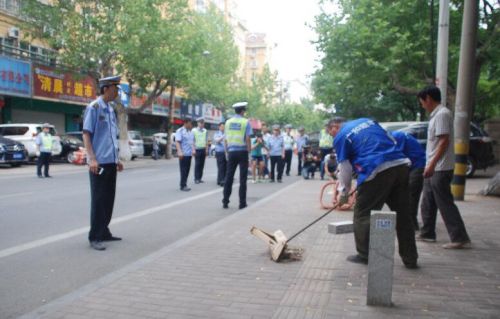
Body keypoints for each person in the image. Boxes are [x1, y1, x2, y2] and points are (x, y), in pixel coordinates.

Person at [327, 117, 418, 268]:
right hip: (400, 165)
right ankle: (410, 258)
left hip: (375, 169)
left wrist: (343, 193)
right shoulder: (368, 121)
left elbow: (345, 168)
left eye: (331, 134)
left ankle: (364, 254)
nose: (333, 137)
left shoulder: (341, 137)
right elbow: (390, 140)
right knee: (403, 214)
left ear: (334, 128)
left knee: (363, 213)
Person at [417, 86, 471, 249]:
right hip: (434, 166)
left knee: (444, 203)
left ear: (428, 98)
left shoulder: (442, 115)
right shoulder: (436, 116)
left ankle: (459, 237)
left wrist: (432, 164)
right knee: (428, 201)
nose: (422, 105)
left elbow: (443, 142)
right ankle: (427, 233)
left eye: (422, 102)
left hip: (440, 168)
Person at [82, 75, 124, 251]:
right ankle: (95, 236)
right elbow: (86, 134)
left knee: (108, 199)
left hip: (110, 162)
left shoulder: (110, 109)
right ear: (106, 88)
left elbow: (112, 137)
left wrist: (117, 158)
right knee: (98, 200)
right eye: (115, 88)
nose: (117, 92)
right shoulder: (95, 108)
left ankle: (104, 231)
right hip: (98, 163)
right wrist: (92, 158)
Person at [391, 131, 426, 231]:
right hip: (416, 166)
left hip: (418, 166)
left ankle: (411, 225)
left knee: (411, 196)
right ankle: (410, 224)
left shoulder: (397, 136)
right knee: (410, 196)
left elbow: (397, 156)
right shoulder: (397, 135)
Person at [222, 102, 252, 209]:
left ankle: (225, 201)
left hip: (231, 152)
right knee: (243, 178)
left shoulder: (228, 122)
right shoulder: (245, 122)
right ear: (243, 111)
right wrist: (249, 152)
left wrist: (226, 152)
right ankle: (242, 203)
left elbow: (225, 139)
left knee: (228, 177)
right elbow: (248, 138)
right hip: (242, 152)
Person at [175, 118, 195, 192]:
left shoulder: (190, 132)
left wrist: (193, 149)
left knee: (187, 170)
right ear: (186, 123)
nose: (191, 125)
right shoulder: (180, 131)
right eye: (190, 123)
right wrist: (179, 151)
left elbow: (192, 142)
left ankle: (185, 184)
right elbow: (177, 142)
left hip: (189, 154)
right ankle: (183, 185)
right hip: (183, 154)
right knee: (183, 170)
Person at [192, 117, 208, 184]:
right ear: (198, 123)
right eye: (200, 123)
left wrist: (207, 149)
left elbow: (206, 141)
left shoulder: (205, 130)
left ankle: (200, 178)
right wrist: (193, 150)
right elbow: (192, 141)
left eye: (203, 123)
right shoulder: (194, 130)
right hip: (197, 149)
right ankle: (196, 178)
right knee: (197, 164)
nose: (202, 124)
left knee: (202, 164)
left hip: (203, 149)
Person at [213, 122, 226, 187]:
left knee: (225, 166)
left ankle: (221, 180)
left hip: (226, 152)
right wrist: (223, 136)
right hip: (219, 152)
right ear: (219, 127)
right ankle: (221, 180)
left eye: (224, 126)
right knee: (220, 166)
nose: (223, 128)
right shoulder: (217, 133)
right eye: (222, 126)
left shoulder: (227, 133)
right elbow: (217, 140)